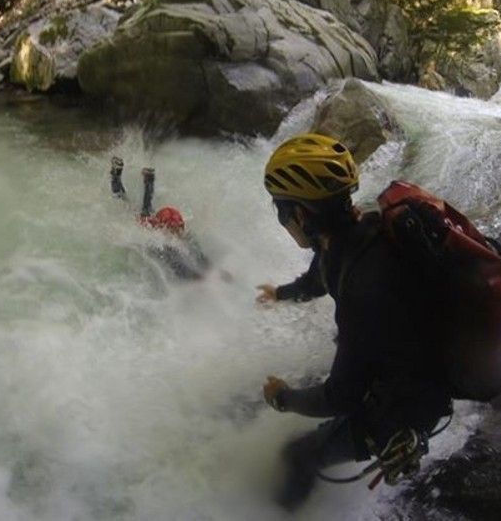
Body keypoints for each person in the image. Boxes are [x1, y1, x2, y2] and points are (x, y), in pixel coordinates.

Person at [256, 133, 453, 510]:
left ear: (299, 214)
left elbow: (340, 396)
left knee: (297, 454)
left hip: (403, 409)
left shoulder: (365, 286)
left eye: (281, 211)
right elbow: (321, 277)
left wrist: (283, 398)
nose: (282, 221)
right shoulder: (355, 234)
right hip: (405, 366)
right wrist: (280, 293)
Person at [110, 156, 209, 280]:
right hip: (143, 223)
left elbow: (202, 259)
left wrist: (213, 271)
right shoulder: (159, 240)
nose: (177, 232)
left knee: (148, 206)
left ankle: (149, 179)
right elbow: (176, 266)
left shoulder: (185, 235)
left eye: (179, 228)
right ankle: (116, 173)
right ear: (163, 228)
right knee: (123, 200)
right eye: (173, 229)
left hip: (153, 219)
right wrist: (195, 277)